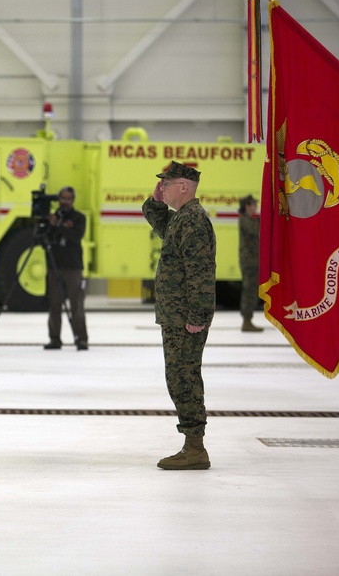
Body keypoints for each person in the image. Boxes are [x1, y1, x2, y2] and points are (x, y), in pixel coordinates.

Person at [142, 161, 215, 471]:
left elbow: (201, 274)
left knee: (184, 379)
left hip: (186, 318)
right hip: (176, 316)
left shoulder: (194, 221)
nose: (163, 187)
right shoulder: (182, 219)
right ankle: (192, 445)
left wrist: (197, 315)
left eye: (167, 183)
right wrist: (156, 201)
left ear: (184, 187)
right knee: (178, 377)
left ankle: (195, 447)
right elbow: (160, 224)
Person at [43, 186, 89, 351]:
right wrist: (51, 224)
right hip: (54, 265)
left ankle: (81, 339)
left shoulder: (79, 218)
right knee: (54, 304)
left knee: (76, 304)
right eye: (63, 198)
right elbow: (44, 237)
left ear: (73, 200)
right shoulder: (51, 217)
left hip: (72, 266)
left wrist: (59, 226)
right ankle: (55, 338)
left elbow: (76, 236)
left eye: (68, 198)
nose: (65, 201)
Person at [238, 194, 263, 332]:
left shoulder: (249, 219)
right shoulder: (245, 220)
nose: (256, 207)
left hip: (253, 260)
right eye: (254, 204)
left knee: (252, 290)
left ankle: (248, 320)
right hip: (250, 261)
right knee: (249, 290)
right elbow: (255, 230)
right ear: (247, 206)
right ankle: (247, 321)